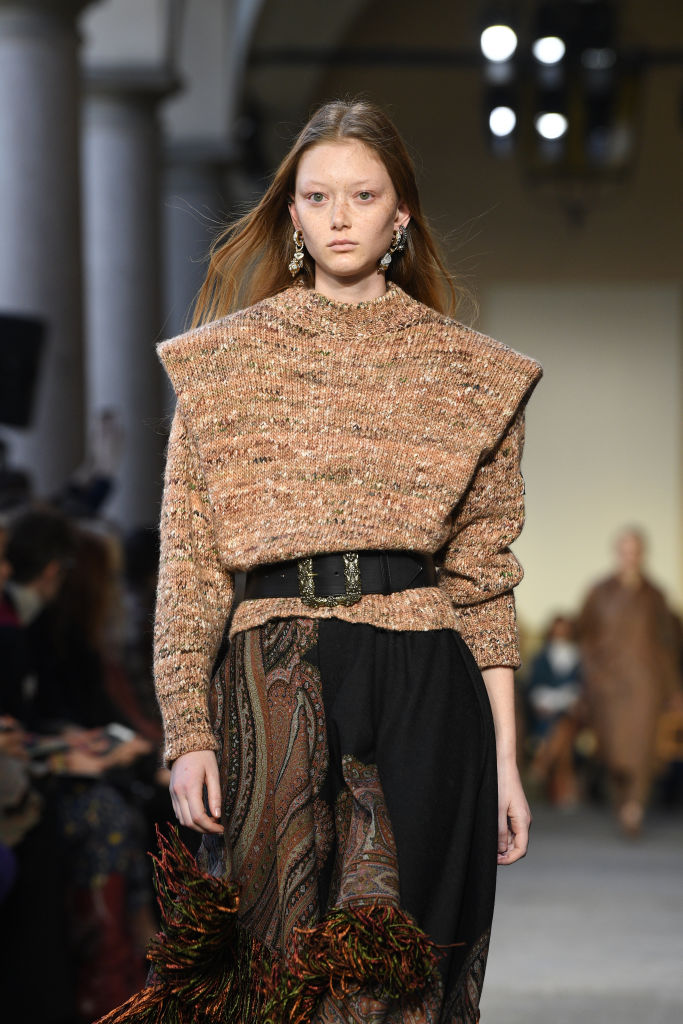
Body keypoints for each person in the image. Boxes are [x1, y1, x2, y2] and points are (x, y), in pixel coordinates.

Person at [98, 99, 543, 1024]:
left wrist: (505, 761)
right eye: (317, 196)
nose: (340, 217)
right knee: (274, 971)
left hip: (426, 676)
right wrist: (188, 733)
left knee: (409, 968)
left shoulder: (473, 375)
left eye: (363, 195)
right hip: (272, 673)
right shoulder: (222, 368)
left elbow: (484, 583)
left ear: (400, 213)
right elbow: (190, 570)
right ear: (291, 214)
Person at [577, 526, 682, 836]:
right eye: (625, 550)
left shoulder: (655, 594)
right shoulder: (599, 591)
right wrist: (593, 672)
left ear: (642, 554)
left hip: (646, 682)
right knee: (614, 750)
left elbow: (669, 643)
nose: (630, 557)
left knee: (642, 746)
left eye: (635, 551)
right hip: (608, 684)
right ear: (617, 553)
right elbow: (584, 634)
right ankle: (624, 800)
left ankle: (634, 807)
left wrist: (673, 688)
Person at [526, 614, 583, 807]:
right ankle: (565, 791)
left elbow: (583, 686)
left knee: (566, 723)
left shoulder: (579, 656)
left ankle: (541, 765)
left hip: (573, 712)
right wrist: (543, 702)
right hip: (547, 713)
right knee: (563, 732)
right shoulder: (541, 656)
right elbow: (534, 686)